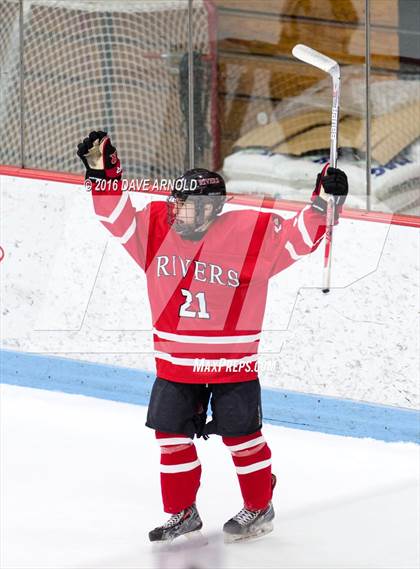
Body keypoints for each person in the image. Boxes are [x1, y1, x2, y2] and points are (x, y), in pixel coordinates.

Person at [77, 131, 348, 544]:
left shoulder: (250, 233)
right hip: (174, 365)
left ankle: (259, 506)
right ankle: (182, 512)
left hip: (232, 364)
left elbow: (299, 238)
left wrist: (325, 200)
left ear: (211, 208)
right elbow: (115, 218)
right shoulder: (154, 229)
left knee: (242, 439)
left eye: (185, 206)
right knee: (170, 439)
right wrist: (103, 173)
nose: (175, 212)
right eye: (175, 203)